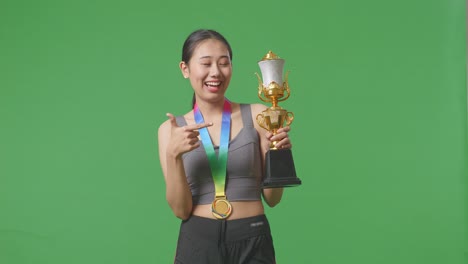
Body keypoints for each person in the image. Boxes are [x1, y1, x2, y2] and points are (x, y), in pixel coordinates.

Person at [158, 29, 292, 264]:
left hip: (252, 237)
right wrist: (173, 156)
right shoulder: (170, 130)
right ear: (185, 69)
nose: (216, 72)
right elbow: (181, 210)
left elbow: (273, 199)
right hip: (198, 241)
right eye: (206, 63)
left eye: (224, 63)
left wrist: (278, 155)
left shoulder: (261, 116)